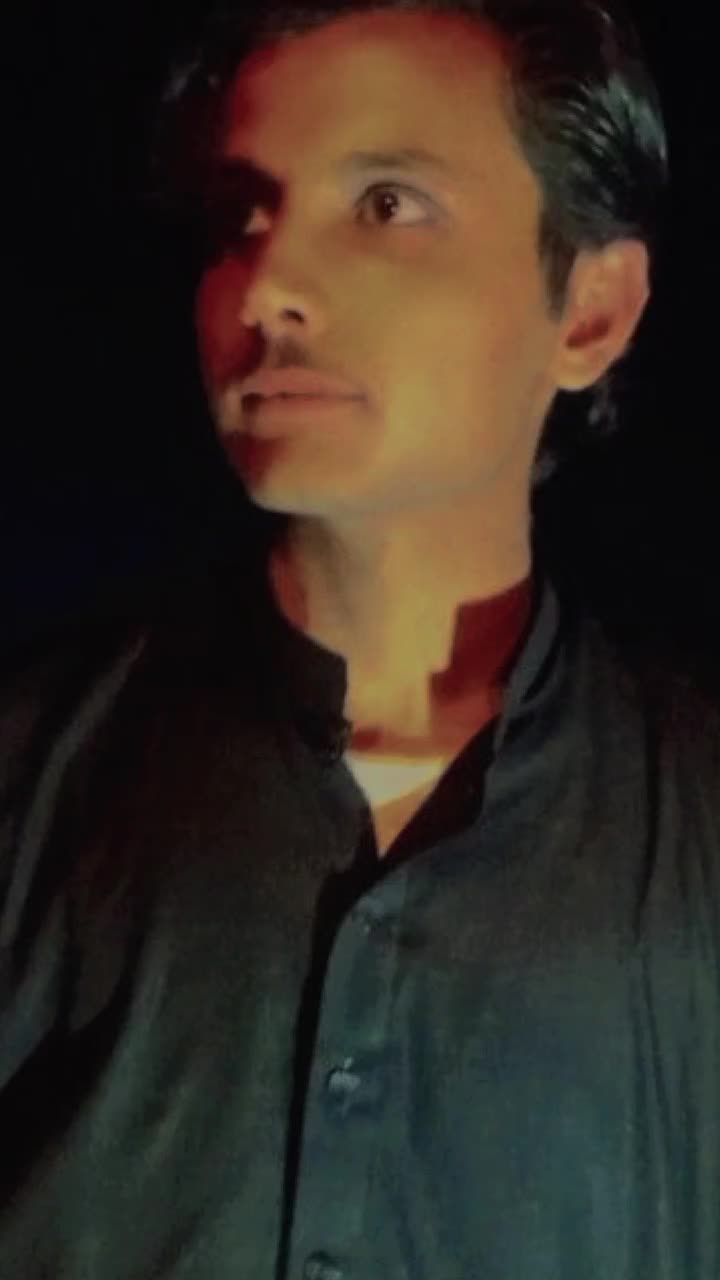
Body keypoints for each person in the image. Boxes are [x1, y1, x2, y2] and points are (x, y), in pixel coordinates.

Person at [1, 1, 717, 1277]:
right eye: (242, 214)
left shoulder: (698, 825)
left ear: (591, 313)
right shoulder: (32, 776)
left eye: (387, 204)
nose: (269, 283)